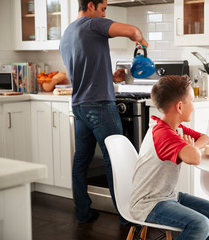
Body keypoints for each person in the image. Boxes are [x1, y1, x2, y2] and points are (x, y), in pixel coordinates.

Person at [59, 0, 148, 223]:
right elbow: (132, 31)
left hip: (79, 106)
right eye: (103, 9)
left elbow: (83, 72)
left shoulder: (68, 33)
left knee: (81, 160)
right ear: (91, 5)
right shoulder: (92, 24)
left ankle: (83, 212)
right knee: (116, 160)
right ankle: (126, 216)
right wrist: (141, 41)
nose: (104, 14)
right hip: (99, 105)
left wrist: (110, 77)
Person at [129, 75, 209, 240]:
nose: (194, 106)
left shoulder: (175, 128)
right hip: (148, 204)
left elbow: (206, 138)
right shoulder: (163, 134)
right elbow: (194, 158)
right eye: (193, 101)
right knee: (201, 225)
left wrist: (191, 147)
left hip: (168, 196)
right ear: (180, 107)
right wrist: (190, 148)